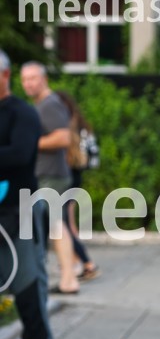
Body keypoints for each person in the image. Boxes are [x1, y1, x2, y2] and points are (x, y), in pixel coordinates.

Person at [0, 49, 56, 339]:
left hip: (18, 213)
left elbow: (20, 155)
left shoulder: (23, 113)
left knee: (28, 293)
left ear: (4, 75)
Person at [20, 62, 79, 295]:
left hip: (51, 175)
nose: (28, 84)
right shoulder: (42, 105)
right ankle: (67, 276)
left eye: (33, 78)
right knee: (56, 225)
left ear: (44, 79)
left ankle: (69, 278)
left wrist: (27, 144)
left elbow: (64, 138)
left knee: (56, 225)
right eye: (25, 79)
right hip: (47, 175)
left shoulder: (50, 104)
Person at [53, 91, 99, 281]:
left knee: (64, 225)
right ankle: (74, 262)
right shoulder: (82, 126)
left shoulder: (66, 128)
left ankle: (86, 263)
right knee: (69, 225)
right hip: (76, 179)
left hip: (65, 178)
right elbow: (94, 159)